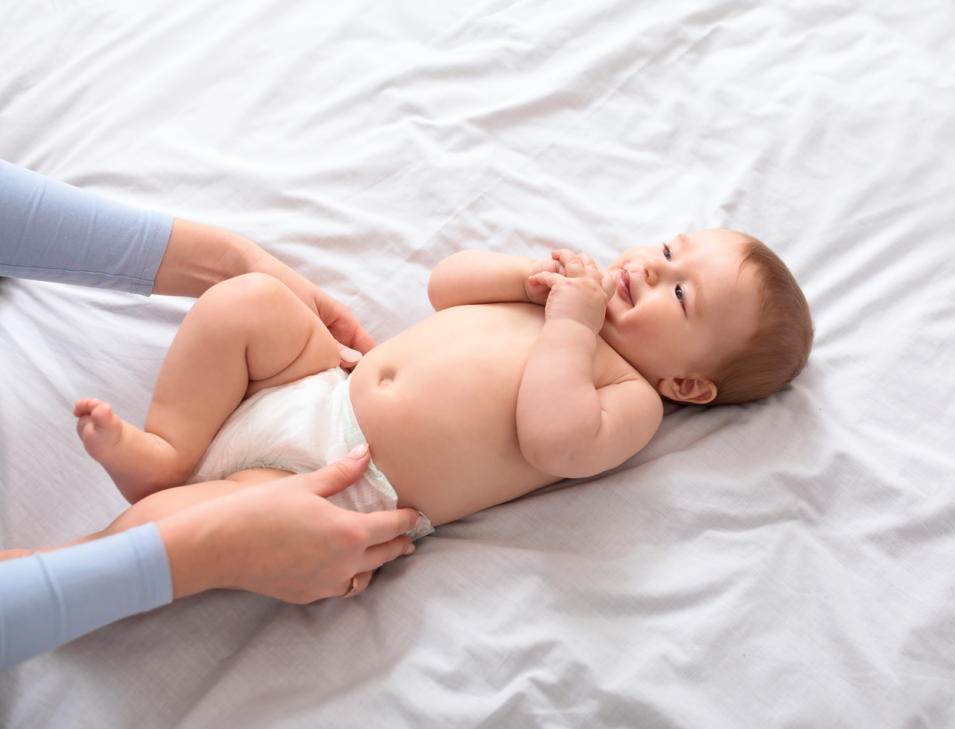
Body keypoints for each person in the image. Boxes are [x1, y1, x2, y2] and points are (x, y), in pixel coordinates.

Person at [33, 227, 813, 570]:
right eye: (668, 248)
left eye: (681, 293)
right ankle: (168, 449)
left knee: (188, 528)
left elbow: (555, 442)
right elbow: (445, 285)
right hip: (316, 380)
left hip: (337, 481)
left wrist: (571, 328)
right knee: (247, 301)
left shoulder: (628, 395)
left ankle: (74, 558)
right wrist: (520, 279)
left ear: (686, 384)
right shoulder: (560, 290)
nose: (648, 267)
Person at [0, 160, 422, 672]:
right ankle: (85, 546)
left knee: (249, 298)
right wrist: (223, 549)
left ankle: (167, 454)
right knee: (166, 522)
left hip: (311, 397)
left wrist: (233, 261)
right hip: (296, 480)